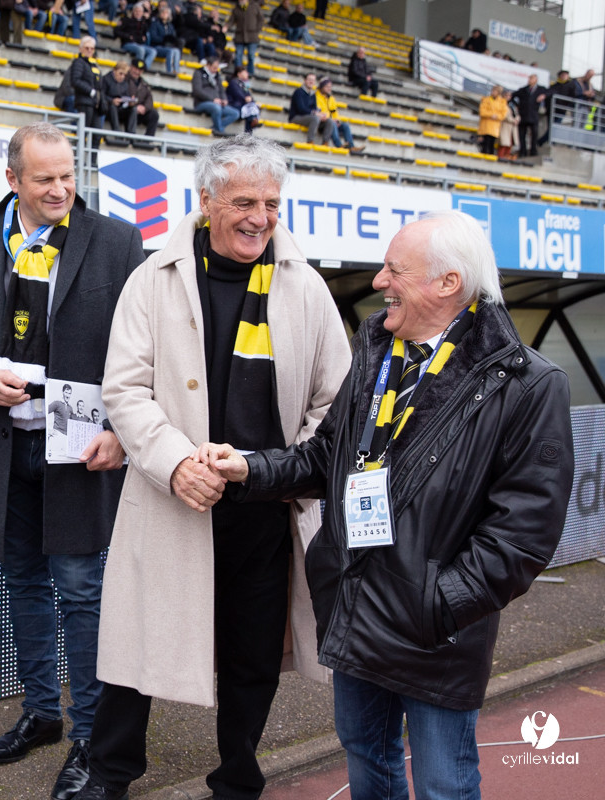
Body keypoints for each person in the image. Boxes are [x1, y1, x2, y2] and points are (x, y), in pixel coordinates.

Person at [205, 210, 575, 800]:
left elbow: (523, 534)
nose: (379, 282)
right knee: (368, 767)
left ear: (448, 283)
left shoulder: (527, 383)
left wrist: (437, 604)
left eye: (394, 271)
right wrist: (250, 468)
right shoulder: (377, 349)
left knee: (443, 784)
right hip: (356, 608)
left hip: (434, 634)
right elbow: (328, 456)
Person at [71, 135, 350, 800]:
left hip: (265, 506)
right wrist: (175, 465)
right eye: (244, 202)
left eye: (271, 204)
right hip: (173, 501)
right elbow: (125, 390)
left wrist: (276, 469)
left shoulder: (306, 287)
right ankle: (109, 775)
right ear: (206, 201)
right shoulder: (152, 279)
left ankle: (238, 779)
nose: (260, 218)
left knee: (254, 658)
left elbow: (334, 403)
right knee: (135, 656)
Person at [0, 122, 144, 800]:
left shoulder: (116, 242)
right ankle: (43, 713)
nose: (60, 189)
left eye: (68, 175)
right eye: (44, 179)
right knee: (22, 583)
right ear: (12, 179)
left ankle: (91, 737)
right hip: (3, 450)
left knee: (80, 591)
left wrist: (122, 430)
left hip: (80, 450)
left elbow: (144, 347)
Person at [55, 37, 101, 121]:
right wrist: (85, 93)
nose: (89, 51)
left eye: (92, 49)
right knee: (75, 100)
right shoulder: (76, 64)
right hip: (69, 97)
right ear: (80, 49)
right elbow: (68, 86)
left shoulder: (94, 67)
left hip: (87, 99)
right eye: (87, 48)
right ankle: (76, 127)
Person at [192, 56, 239, 136]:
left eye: (217, 68)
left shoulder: (217, 76)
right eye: (214, 68)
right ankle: (220, 131)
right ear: (208, 65)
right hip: (202, 102)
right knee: (216, 108)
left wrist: (224, 99)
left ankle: (216, 127)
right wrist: (212, 100)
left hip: (217, 103)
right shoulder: (198, 73)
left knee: (235, 113)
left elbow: (221, 90)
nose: (216, 70)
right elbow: (197, 91)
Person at [317, 76, 364, 152]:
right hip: (322, 123)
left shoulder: (331, 98)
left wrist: (337, 120)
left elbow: (335, 112)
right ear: (322, 87)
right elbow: (319, 112)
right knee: (332, 123)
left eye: (330, 87)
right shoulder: (316, 97)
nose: (329, 89)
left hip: (332, 122)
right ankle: (338, 145)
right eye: (327, 86)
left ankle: (351, 146)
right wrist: (332, 119)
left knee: (345, 125)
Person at [289, 72, 335, 145]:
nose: (311, 82)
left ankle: (325, 143)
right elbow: (301, 109)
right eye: (309, 79)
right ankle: (310, 141)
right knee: (315, 118)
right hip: (296, 117)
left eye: (313, 80)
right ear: (305, 80)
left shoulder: (312, 94)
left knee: (329, 121)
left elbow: (314, 108)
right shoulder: (298, 92)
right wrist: (315, 113)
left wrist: (321, 115)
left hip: (308, 117)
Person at [102, 61, 139, 141]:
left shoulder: (125, 83)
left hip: (121, 107)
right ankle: (117, 134)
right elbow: (102, 94)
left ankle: (131, 135)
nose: (122, 77)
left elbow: (126, 96)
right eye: (120, 74)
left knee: (133, 109)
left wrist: (130, 102)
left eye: (124, 75)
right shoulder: (106, 79)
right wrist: (111, 100)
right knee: (113, 107)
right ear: (114, 71)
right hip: (108, 107)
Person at [512, 74, 547, 157]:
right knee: (521, 135)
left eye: (532, 79)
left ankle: (533, 151)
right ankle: (522, 151)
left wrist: (544, 95)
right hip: (523, 115)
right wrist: (517, 105)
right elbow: (512, 96)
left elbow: (550, 92)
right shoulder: (523, 90)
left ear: (536, 80)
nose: (529, 80)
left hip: (533, 115)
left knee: (534, 134)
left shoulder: (541, 89)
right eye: (529, 78)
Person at [127, 59, 160, 140]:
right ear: (131, 67)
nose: (137, 72)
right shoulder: (124, 79)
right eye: (135, 68)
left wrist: (145, 108)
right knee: (133, 110)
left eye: (140, 70)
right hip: (127, 110)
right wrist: (134, 106)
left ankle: (147, 140)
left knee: (154, 114)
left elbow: (149, 99)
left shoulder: (144, 84)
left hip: (140, 112)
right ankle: (130, 138)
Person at [228, 0, 262, 76]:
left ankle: (250, 73)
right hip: (240, 36)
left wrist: (257, 30)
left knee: (251, 55)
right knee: (238, 55)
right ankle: (237, 73)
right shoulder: (236, 9)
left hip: (252, 36)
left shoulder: (255, 7)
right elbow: (231, 20)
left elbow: (261, 19)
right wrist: (226, 26)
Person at [117, 4, 157, 68]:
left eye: (140, 11)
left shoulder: (143, 22)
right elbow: (117, 31)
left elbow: (145, 33)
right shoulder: (126, 20)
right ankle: (138, 68)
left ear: (142, 13)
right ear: (133, 11)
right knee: (141, 50)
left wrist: (144, 37)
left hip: (139, 44)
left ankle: (144, 68)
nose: (138, 13)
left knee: (153, 51)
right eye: (136, 11)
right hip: (128, 43)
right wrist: (128, 36)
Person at [148, 3, 182, 76]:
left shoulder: (170, 26)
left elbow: (173, 37)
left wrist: (170, 41)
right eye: (163, 12)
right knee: (170, 51)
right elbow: (153, 37)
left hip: (167, 46)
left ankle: (176, 70)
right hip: (157, 46)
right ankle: (169, 71)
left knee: (177, 51)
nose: (164, 14)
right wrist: (164, 40)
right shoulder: (155, 24)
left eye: (166, 13)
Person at [226, 65, 262, 132]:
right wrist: (246, 99)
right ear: (239, 74)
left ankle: (253, 122)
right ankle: (253, 121)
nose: (247, 74)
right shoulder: (233, 82)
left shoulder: (243, 84)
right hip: (234, 105)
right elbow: (238, 94)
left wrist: (251, 100)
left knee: (253, 108)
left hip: (242, 105)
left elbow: (249, 96)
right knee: (250, 113)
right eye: (245, 72)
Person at [478, 85, 508, 156]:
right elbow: (482, 112)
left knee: (491, 145)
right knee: (484, 145)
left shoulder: (502, 102)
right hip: (485, 126)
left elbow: (503, 115)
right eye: (492, 91)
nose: (493, 92)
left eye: (495, 91)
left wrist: (496, 116)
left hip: (495, 127)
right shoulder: (486, 100)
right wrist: (491, 115)